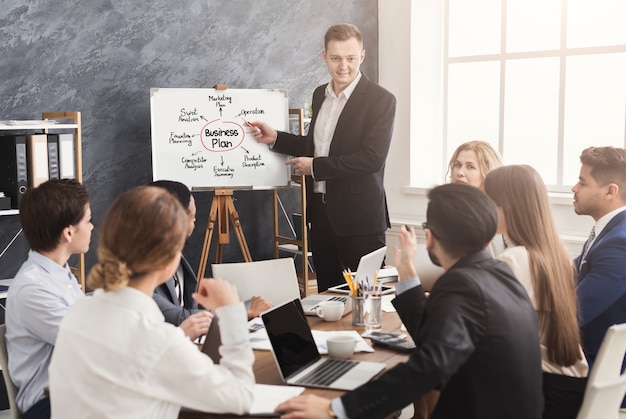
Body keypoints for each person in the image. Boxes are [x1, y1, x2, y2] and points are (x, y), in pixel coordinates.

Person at [276, 183, 543, 419]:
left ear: (431, 237)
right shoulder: (500, 274)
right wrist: (406, 273)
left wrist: (335, 409)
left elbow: (430, 365)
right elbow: (435, 343)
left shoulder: (462, 285)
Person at [48, 186, 255, 417]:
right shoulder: (157, 342)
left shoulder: (78, 313)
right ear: (168, 261)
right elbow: (241, 398)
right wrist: (231, 312)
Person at [251, 23, 396, 292]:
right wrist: (276, 138)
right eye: (336, 58)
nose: (344, 66)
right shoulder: (320, 95)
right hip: (320, 216)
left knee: (366, 298)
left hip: (360, 220)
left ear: (361, 56)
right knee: (328, 296)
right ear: (324, 56)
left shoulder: (382, 100)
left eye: (351, 58)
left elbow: (371, 158)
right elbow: (316, 145)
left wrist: (316, 167)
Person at [484, 165, 588, 419]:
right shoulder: (557, 256)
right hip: (567, 389)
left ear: (504, 205)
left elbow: (483, 332)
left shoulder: (513, 260)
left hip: (541, 395)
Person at [5, 178, 92, 419]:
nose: (92, 227)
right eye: (88, 220)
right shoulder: (33, 289)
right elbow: (92, 341)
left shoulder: (61, 274)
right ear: (68, 232)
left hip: (73, 394)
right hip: (47, 405)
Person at [150, 180, 271, 341]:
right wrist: (240, 312)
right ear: (176, 218)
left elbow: (189, 312)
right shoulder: (141, 266)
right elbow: (178, 317)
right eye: (192, 215)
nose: (195, 221)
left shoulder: (173, 252)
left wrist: (244, 308)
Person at [572, 146, 626, 370]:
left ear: (610, 191)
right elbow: (571, 270)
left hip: (599, 371)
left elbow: (573, 313)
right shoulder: (610, 231)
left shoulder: (618, 243)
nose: (573, 188)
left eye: (582, 183)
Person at [447, 140, 506, 256]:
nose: (460, 172)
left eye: (470, 167)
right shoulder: (450, 210)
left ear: (488, 173)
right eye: (457, 165)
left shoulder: (492, 214)